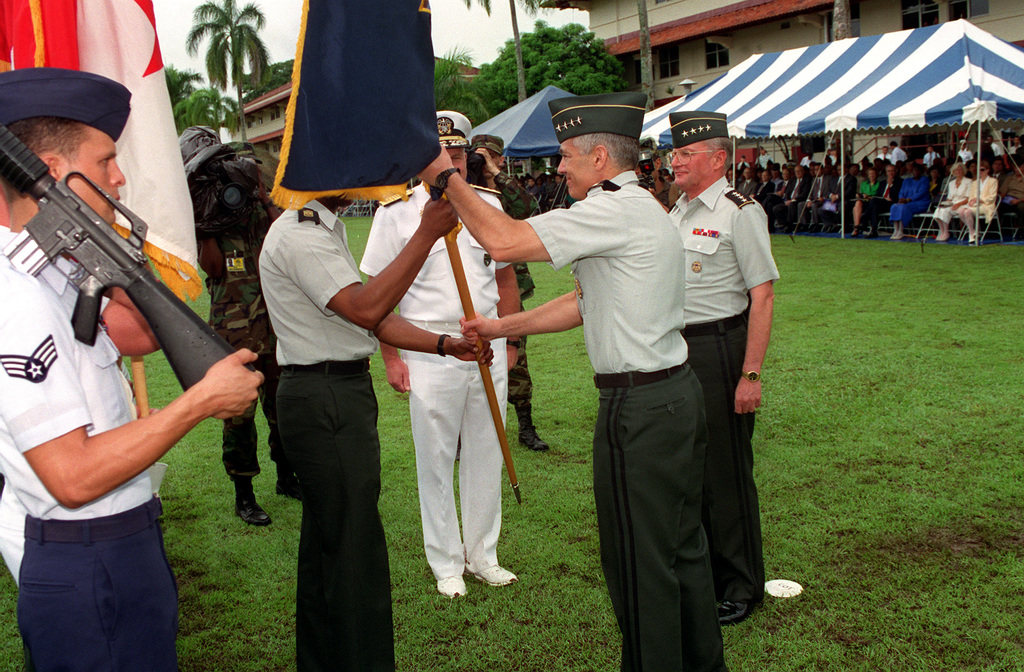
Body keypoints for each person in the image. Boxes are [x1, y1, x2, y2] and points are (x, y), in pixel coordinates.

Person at [421, 92, 727, 672]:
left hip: (640, 407)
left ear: (598, 160)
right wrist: (499, 325)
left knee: (640, 564)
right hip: (670, 396)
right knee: (683, 550)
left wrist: (445, 178)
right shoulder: (635, 207)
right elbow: (585, 302)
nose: (557, 167)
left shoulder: (612, 210)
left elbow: (503, 241)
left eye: (565, 155)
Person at [0, 67, 263, 672]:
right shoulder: (19, 296)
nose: (119, 177)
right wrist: (198, 402)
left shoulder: (56, 275)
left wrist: (116, 261)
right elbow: (71, 476)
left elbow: (138, 334)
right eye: (105, 161)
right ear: (48, 170)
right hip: (84, 558)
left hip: (120, 544)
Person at [259, 185, 488, 670]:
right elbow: (366, 309)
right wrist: (425, 234)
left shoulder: (323, 229)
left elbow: (373, 320)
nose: (364, 177)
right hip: (326, 398)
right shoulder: (301, 235)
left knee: (333, 542)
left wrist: (445, 344)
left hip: (332, 394)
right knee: (352, 550)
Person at [361, 114, 521, 601]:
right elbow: (376, 294)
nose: (450, 165)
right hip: (429, 352)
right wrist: (391, 358)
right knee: (434, 460)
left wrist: (512, 343)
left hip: (487, 352)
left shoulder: (489, 206)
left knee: (485, 451)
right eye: (440, 157)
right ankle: (447, 561)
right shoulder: (395, 211)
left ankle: (484, 554)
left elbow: (507, 280)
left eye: (457, 156)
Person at [667, 111, 779, 627]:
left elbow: (762, 294)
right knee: (691, 468)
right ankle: (708, 573)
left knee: (727, 472)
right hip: (680, 349)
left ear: (717, 159)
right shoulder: (677, 212)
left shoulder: (741, 211)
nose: (675, 160)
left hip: (720, 348)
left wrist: (750, 374)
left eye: (686, 153)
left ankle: (741, 584)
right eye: (674, 151)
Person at [183, 127, 301, 526]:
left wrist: (260, 194)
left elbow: (282, 239)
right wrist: (206, 219)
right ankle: (244, 495)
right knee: (240, 414)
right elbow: (212, 267)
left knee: (282, 407)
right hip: (233, 331)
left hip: (274, 321)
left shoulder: (252, 203)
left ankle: (287, 476)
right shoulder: (206, 213)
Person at [468, 134, 550, 452]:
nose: (483, 161)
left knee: (516, 359)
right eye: (479, 156)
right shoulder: (466, 188)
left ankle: (525, 427)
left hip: (508, 286)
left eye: (491, 156)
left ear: (501, 159)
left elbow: (530, 209)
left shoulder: (504, 187)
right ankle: (466, 432)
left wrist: (496, 175)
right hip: (473, 283)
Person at [956, 160, 997, 244]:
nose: (980, 172)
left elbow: (992, 197)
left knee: (967, 211)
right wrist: (971, 201)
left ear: (987, 170)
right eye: (979, 170)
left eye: (982, 170)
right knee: (960, 211)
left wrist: (979, 200)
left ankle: (971, 234)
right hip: (975, 204)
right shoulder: (975, 182)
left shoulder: (993, 181)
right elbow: (971, 195)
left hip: (986, 205)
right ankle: (974, 231)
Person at [887, 163, 930, 240]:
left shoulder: (925, 180)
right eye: (913, 170)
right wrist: (901, 199)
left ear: (921, 171)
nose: (914, 172)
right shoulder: (907, 181)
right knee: (894, 206)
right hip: (906, 202)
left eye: (916, 170)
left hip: (920, 202)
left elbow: (921, 193)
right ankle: (895, 230)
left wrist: (908, 200)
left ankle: (901, 230)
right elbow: (901, 192)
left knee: (904, 207)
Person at [934, 162, 973, 242]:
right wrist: (945, 204)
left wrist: (958, 204)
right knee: (938, 210)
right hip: (953, 203)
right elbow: (949, 198)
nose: (958, 171)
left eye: (960, 169)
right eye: (955, 170)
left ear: (963, 170)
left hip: (963, 203)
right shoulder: (951, 183)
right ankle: (943, 231)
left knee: (945, 211)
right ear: (953, 172)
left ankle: (946, 233)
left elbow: (968, 197)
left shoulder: (969, 181)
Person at [864, 164, 902, 238]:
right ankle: (874, 229)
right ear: (886, 172)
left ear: (895, 171)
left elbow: (898, 195)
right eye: (889, 171)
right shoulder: (882, 183)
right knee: (874, 205)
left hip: (892, 203)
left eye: (892, 171)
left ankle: (864, 222)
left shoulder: (900, 182)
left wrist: (891, 185)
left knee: (874, 203)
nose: (890, 173)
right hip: (880, 203)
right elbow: (878, 194)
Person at [851, 166, 882, 236]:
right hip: (864, 202)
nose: (872, 175)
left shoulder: (880, 184)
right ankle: (857, 227)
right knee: (858, 203)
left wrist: (870, 197)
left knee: (860, 206)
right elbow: (861, 193)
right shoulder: (864, 184)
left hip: (874, 203)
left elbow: (879, 195)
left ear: (876, 174)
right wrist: (860, 195)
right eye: (870, 174)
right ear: (868, 175)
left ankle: (858, 228)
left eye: (873, 173)